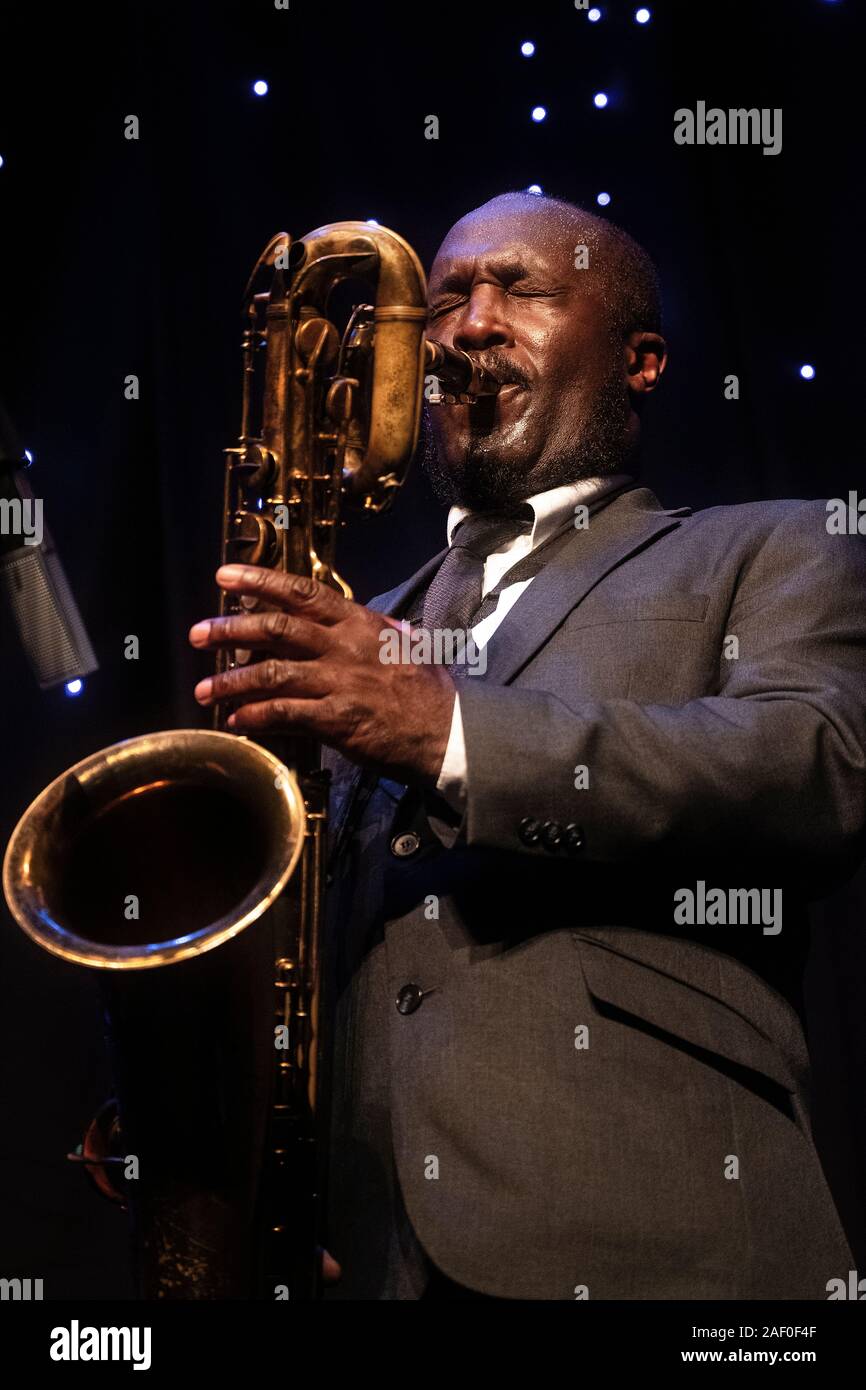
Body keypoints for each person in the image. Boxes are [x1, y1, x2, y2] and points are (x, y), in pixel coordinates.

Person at [188, 191, 866, 1300]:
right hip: (357, 1253)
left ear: (640, 361)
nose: (469, 323)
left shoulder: (772, 544)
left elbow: (816, 766)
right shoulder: (357, 622)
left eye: (523, 289)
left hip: (654, 1228)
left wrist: (447, 730)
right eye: (447, 298)